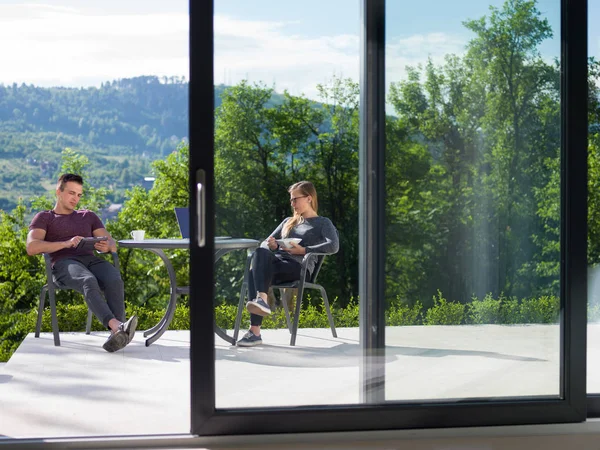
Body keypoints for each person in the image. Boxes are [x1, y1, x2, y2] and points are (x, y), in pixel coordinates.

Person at [26, 173, 138, 353]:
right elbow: (31, 247)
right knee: (87, 280)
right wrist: (66, 243)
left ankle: (117, 333)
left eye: (79, 195)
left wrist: (105, 246)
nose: (75, 199)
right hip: (64, 263)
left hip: (91, 259)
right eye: (71, 193)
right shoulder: (44, 217)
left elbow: (111, 244)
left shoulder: (88, 216)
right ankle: (116, 326)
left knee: (114, 278)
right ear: (58, 192)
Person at [237, 181, 339, 347]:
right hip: (278, 263)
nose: (292, 203)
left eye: (295, 199)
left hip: (299, 268)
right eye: (291, 200)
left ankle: (254, 330)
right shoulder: (288, 221)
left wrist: (304, 250)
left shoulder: (323, 223)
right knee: (260, 253)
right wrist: (273, 245)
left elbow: (333, 246)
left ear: (309, 198)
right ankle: (261, 303)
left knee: (252, 272)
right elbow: (265, 243)